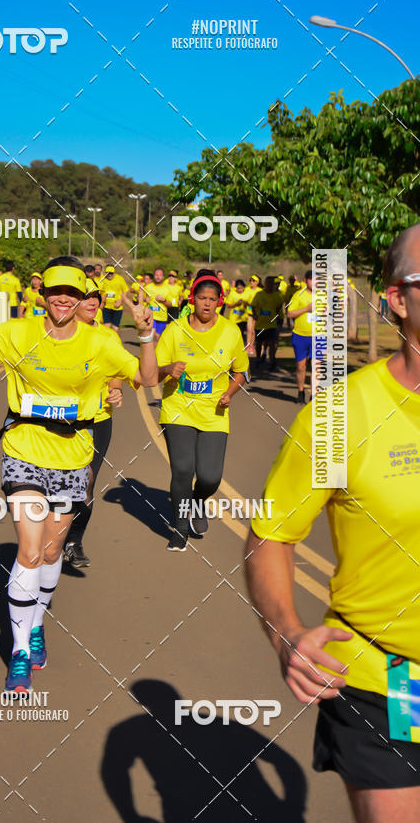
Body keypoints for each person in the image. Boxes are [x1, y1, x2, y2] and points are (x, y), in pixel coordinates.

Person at [244, 223, 420, 823]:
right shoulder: (339, 416)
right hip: (389, 681)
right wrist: (287, 632)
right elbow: (272, 534)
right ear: (397, 298)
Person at [0, 257, 157, 693]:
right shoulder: (19, 332)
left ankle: (36, 623)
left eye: (72, 292)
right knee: (27, 549)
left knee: (50, 548)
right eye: (55, 290)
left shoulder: (99, 342)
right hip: (23, 449)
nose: (63, 298)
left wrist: (147, 334)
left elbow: (147, 377)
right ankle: (20, 651)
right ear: (43, 295)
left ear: (82, 299)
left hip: (74, 455)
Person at [156, 270, 249, 551]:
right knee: (183, 469)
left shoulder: (231, 331)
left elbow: (241, 371)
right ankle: (180, 528)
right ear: (192, 299)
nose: (207, 304)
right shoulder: (175, 330)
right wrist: (167, 369)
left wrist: (229, 393)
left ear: (219, 301)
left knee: (210, 477)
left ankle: (198, 500)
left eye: (212, 299)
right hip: (177, 409)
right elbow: (152, 372)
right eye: (201, 298)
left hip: (214, 413)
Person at [63, 279, 124, 568]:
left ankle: (74, 540)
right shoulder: (56, 335)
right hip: (59, 421)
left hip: (98, 421)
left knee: (86, 483)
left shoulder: (110, 337)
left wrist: (116, 389)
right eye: (85, 296)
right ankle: (51, 537)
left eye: (96, 297)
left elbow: (117, 371)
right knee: (57, 485)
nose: (93, 302)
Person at [286, 269, 313, 404]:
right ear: (306, 280)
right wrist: (306, 309)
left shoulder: (323, 295)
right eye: (311, 279)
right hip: (300, 336)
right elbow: (289, 313)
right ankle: (301, 391)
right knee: (301, 366)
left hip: (318, 336)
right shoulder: (298, 295)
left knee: (316, 366)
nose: (314, 282)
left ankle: (314, 394)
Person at [247, 275, 284, 370]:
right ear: (265, 284)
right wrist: (254, 314)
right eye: (268, 283)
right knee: (259, 343)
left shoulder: (277, 296)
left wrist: (278, 316)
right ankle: (258, 358)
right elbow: (253, 306)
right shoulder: (259, 294)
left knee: (272, 343)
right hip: (260, 323)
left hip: (271, 324)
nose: (270, 285)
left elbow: (279, 307)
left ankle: (272, 361)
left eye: (272, 284)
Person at [99, 264, 129, 332]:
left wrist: (120, 301)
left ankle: (116, 341)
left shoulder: (120, 279)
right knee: (106, 328)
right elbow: (100, 291)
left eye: (111, 273)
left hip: (117, 308)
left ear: (114, 272)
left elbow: (125, 290)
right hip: (106, 307)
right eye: (107, 273)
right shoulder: (103, 279)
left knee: (115, 328)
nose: (109, 274)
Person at [145, 267, 171, 341]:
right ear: (154, 276)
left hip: (162, 317)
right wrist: (145, 300)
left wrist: (163, 300)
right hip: (150, 316)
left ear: (163, 277)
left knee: (157, 336)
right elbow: (139, 299)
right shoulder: (148, 287)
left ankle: (157, 351)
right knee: (151, 335)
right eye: (156, 275)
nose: (158, 277)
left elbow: (170, 304)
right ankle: (150, 351)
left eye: (160, 275)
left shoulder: (167, 289)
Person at [224, 278, 248, 343]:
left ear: (244, 287)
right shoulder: (232, 293)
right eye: (238, 288)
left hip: (243, 318)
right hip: (234, 318)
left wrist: (247, 305)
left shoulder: (247, 293)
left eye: (241, 288)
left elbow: (251, 306)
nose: (239, 290)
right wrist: (236, 303)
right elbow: (228, 305)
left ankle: (242, 345)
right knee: (233, 332)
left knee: (242, 333)